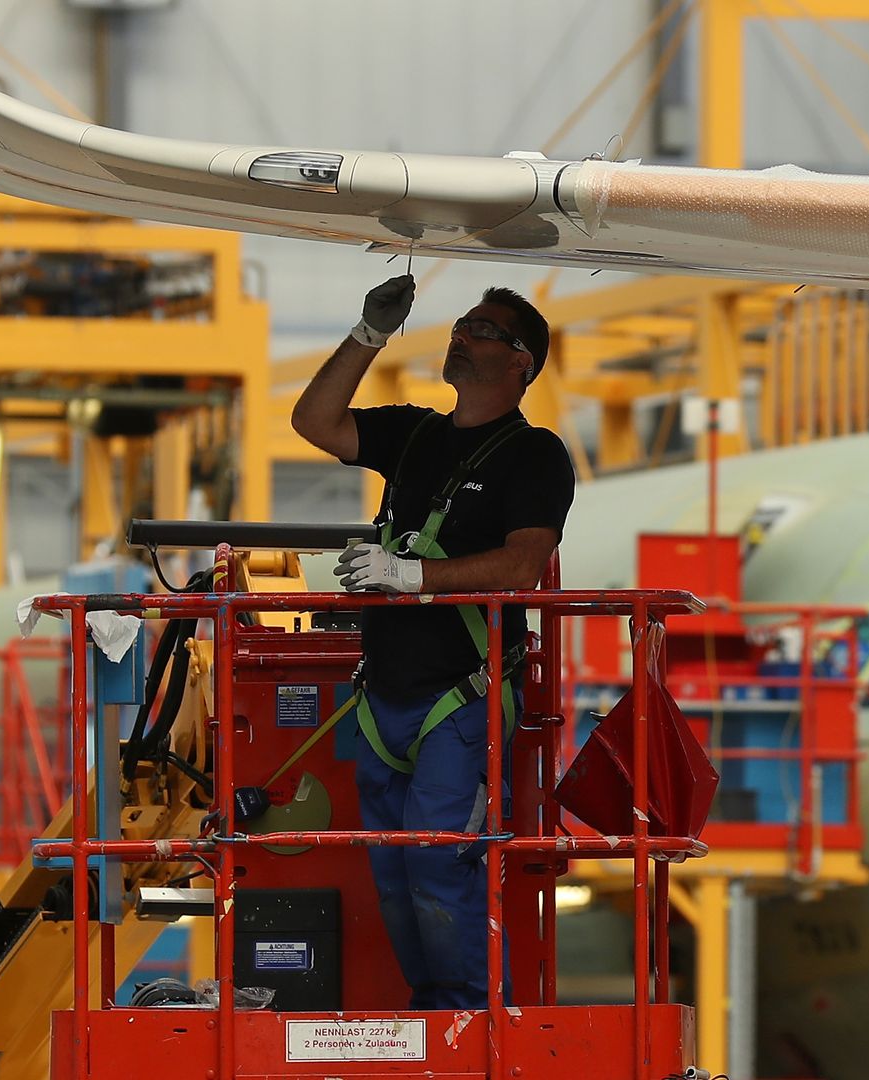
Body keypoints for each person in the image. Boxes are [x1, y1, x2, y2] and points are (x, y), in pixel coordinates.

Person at [289, 274, 575, 1010]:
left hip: (461, 698)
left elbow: (522, 564)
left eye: (481, 329)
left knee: (439, 865)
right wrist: (367, 332)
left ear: (521, 363)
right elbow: (317, 422)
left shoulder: (533, 456)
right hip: (382, 698)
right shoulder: (415, 434)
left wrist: (408, 575)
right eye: (461, 324)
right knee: (393, 872)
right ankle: (432, 1017)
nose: (460, 335)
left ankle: (472, 1025)